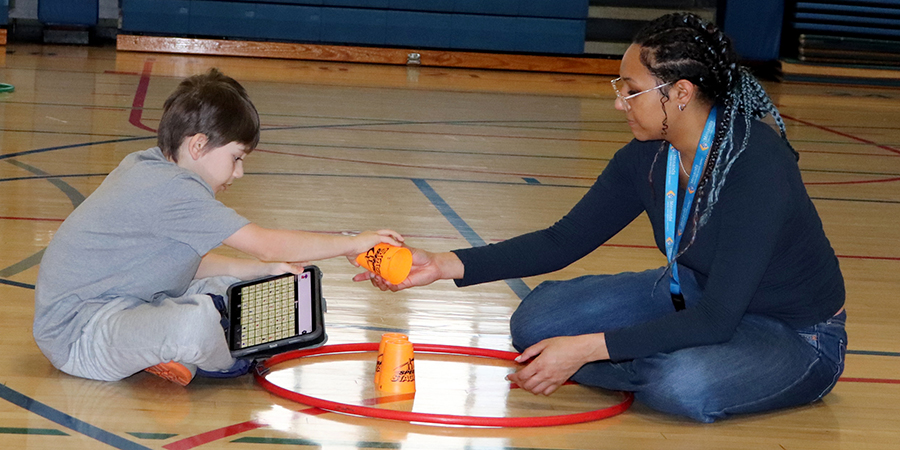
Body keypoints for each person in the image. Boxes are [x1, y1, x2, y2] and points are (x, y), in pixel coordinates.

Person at [357, 13, 846, 422]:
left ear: (679, 93)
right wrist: (442, 264)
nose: (618, 103)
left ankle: (649, 360)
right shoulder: (648, 155)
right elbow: (562, 240)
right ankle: (644, 355)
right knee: (536, 323)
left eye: (630, 90)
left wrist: (587, 349)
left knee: (683, 386)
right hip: (692, 294)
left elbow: (720, 318)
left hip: (794, 333)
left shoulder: (756, 163)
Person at [34, 68, 404, 386]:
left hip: (135, 299)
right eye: (236, 158)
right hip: (79, 336)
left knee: (287, 293)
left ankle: (183, 343)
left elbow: (182, 262)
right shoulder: (171, 189)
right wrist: (351, 243)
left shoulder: (151, 166)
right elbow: (266, 244)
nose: (239, 172)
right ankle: (227, 356)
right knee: (195, 325)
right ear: (198, 145)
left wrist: (261, 272)